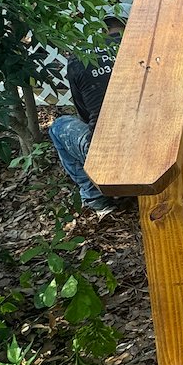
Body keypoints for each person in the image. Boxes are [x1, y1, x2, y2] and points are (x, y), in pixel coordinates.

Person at [49, 15, 124, 219]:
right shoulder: (145, 51)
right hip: (153, 152)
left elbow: (84, 113)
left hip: (106, 156)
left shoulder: (79, 57)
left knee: (58, 126)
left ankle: (96, 199)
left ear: (101, 30)